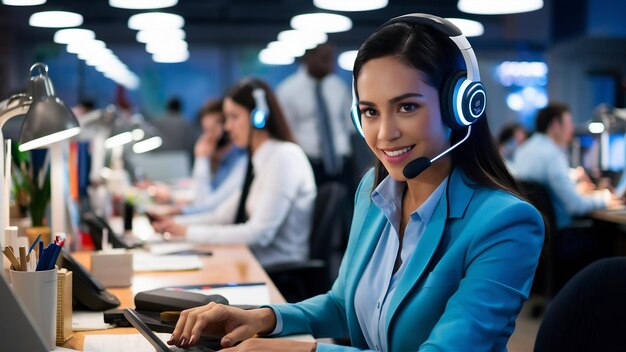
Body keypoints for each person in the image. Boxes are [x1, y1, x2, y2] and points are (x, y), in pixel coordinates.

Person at [166, 14, 544, 351]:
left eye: (407, 107)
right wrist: (261, 317)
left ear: (461, 106)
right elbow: (343, 303)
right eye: (369, 111)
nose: (384, 133)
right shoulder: (374, 192)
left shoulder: (505, 224)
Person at [151, 78, 316, 267]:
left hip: (277, 270)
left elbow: (259, 234)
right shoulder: (260, 160)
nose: (227, 127)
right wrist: (175, 225)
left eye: (234, 117)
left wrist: (186, 232)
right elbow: (222, 216)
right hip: (250, 260)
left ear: (259, 117)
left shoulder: (283, 158)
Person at [512, 103, 621, 229]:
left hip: (535, 230)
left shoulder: (523, 150)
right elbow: (575, 206)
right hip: (562, 235)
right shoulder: (553, 155)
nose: (572, 129)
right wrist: (604, 198)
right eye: (569, 123)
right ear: (555, 125)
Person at [145, 99, 247, 215]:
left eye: (211, 130)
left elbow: (205, 204)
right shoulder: (220, 162)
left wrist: (202, 159)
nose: (206, 137)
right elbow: (203, 198)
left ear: (225, 132)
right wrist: (171, 198)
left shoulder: (240, 164)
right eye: (205, 130)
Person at [276, 43, 354, 186]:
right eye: (324, 58)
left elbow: (350, 126)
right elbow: (285, 132)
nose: (330, 64)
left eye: (331, 58)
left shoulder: (338, 86)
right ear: (308, 58)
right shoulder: (287, 91)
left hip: (342, 163)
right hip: (309, 164)